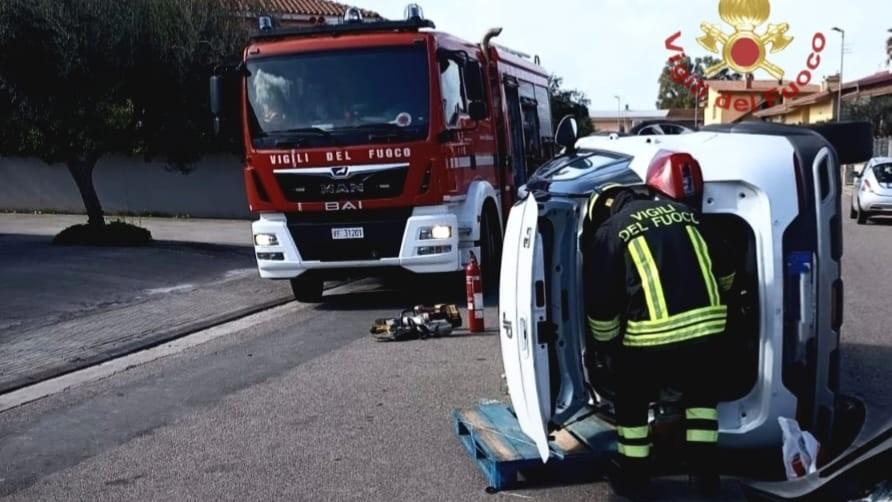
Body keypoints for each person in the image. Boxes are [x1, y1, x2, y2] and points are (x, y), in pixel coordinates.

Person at [582, 160, 735, 498]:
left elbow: (602, 302)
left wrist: (607, 349)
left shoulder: (611, 232)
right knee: (701, 405)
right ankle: (705, 478)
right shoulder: (689, 214)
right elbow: (726, 271)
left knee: (632, 406)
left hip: (649, 339)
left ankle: (635, 479)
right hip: (707, 333)